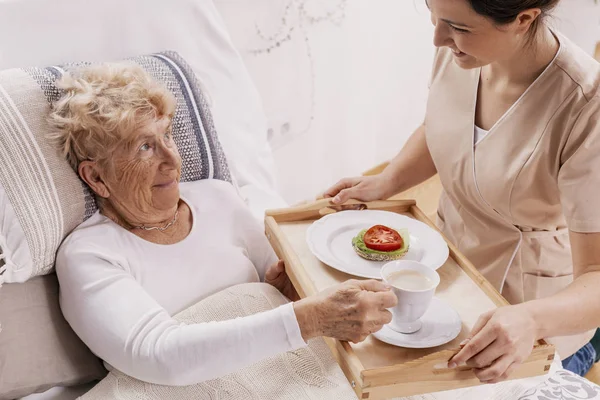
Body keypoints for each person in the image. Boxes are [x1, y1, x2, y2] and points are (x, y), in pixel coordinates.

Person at [48, 63, 397, 386]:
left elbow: (277, 291)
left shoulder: (217, 198)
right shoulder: (89, 254)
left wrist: (283, 290)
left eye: (167, 135)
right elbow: (160, 356)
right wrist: (306, 319)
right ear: (96, 176)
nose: (171, 160)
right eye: (144, 147)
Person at [325, 0, 600, 382]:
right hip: (451, 277)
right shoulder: (460, 51)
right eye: (434, 18)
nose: (438, 38)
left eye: (457, 27)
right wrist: (387, 181)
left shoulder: (587, 105)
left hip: (530, 320)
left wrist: (532, 319)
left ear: (524, 19)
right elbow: (444, 125)